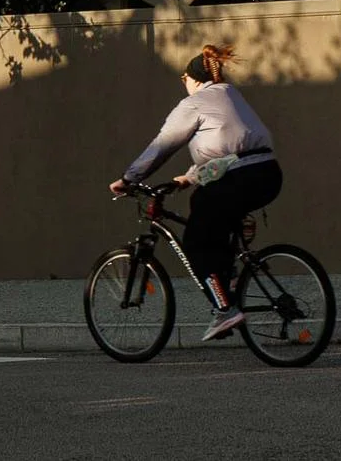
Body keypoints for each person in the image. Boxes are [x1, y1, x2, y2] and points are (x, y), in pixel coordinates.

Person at [109, 42, 282, 341]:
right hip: (268, 174)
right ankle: (229, 280)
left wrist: (129, 178)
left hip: (237, 180)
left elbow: (162, 145)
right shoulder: (231, 94)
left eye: (184, 78)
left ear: (193, 78)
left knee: (196, 241)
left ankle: (225, 309)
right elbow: (227, 148)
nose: (183, 83)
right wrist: (189, 178)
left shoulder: (194, 103)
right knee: (213, 221)